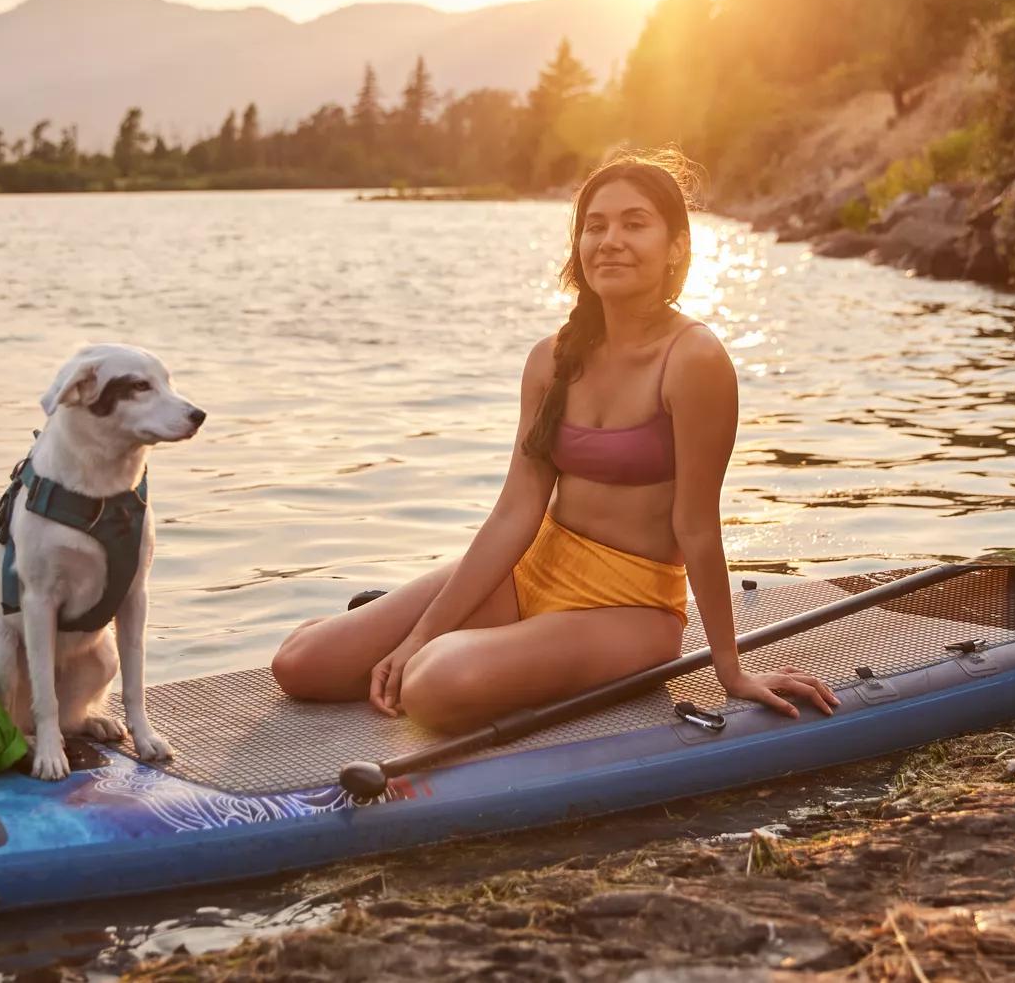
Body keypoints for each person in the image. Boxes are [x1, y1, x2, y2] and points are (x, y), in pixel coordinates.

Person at [270, 150, 837, 732]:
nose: (611, 240)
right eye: (596, 225)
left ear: (677, 248)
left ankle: (475, 646)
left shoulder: (693, 359)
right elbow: (517, 511)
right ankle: (429, 629)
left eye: (635, 223)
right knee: (299, 665)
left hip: (629, 608)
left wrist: (730, 669)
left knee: (431, 684)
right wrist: (419, 629)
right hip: (530, 570)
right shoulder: (552, 359)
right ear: (578, 246)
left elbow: (696, 524)